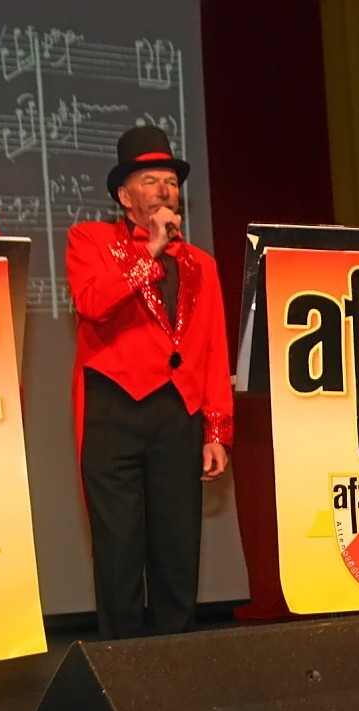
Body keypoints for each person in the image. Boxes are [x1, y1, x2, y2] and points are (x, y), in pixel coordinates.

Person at [66, 125, 233, 640]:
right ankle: (122, 665)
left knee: (177, 549)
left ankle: (174, 664)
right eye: (150, 180)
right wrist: (150, 253)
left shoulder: (201, 264)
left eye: (171, 181)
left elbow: (213, 347)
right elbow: (92, 303)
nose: (164, 189)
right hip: (114, 409)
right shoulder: (91, 240)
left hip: (177, 414)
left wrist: (216, 430)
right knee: (118, 551)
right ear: (124, 196)